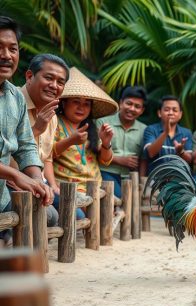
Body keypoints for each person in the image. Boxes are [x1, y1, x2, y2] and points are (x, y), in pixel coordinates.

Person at [0, 16, 54, 245]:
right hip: (8, 186)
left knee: (48, 213)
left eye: (13, 49)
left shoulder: (15, 97)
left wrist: (36, 180)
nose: (6, 55)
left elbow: (25, 146)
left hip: (2, 196)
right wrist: (17, 175)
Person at [52, 67, 117, 219]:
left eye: (87, 104)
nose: (82, 107)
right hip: (67, 187)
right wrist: (70, 141)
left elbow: (105, 160)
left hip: (95, 186)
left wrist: (106, 144)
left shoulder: (91, 127)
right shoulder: (54, 123)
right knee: (89, 218)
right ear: (64, 103)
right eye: (76, 102)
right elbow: (47, 154)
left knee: (104, 218)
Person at [16, 53, 69, 226]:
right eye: (49, 78)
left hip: (37, 183)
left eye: (60, 82)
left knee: (72, 211)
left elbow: (46, 157)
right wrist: (37, 129)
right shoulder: (12, 101)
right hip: (12, 183)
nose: (54, 86)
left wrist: (51, 185)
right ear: (30, 76)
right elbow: (6, 153)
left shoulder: (51, 115)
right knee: (51, 216)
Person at [97, 86, 147, 198]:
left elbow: (144, 158)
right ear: (121, 103)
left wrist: (141, 182)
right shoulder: (103, 122)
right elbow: (95, 148)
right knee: (122, 200)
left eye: (137, 106)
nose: (132, 108)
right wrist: (119, 160)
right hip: (105, 172)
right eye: (129, 103)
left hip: (131, 177)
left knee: (132, 206)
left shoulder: (144, 129)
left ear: (142, 110)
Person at [144, 95, 192, 175]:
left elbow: (189, 160)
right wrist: (165, 133)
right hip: (155, 179)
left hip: (179, 179)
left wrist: (181, 152)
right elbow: (151, 153)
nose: (170, 113)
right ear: (159, 113)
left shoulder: (186, 132)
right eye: (167, 110)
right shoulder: (151, 129)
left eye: (175, 110)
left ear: (180, 115)